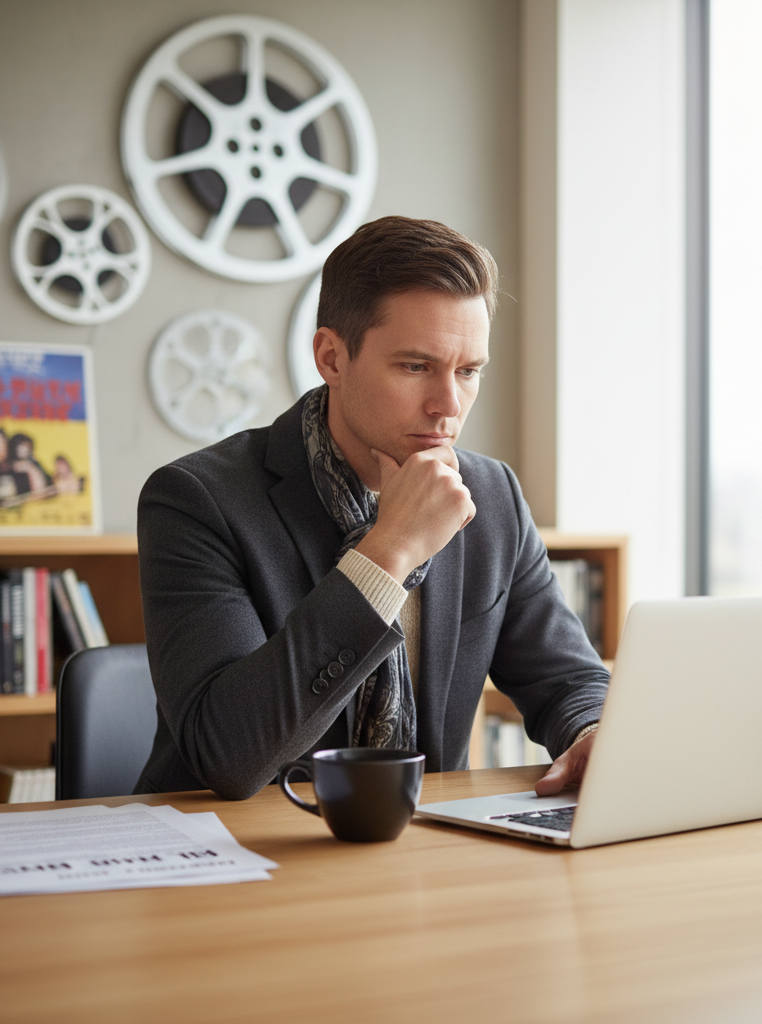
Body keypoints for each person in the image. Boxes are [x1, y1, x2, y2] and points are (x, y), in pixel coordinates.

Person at [135, 216, 609, 801]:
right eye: (416, 367)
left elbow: (568, 678)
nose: (447, 405)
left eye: (468, 372)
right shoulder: (196, 500)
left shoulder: (493, 495)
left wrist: (594, 731)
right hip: (231, 850)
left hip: (420, 847)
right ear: (331, 358)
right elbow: (228, 755)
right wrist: (389, 552)